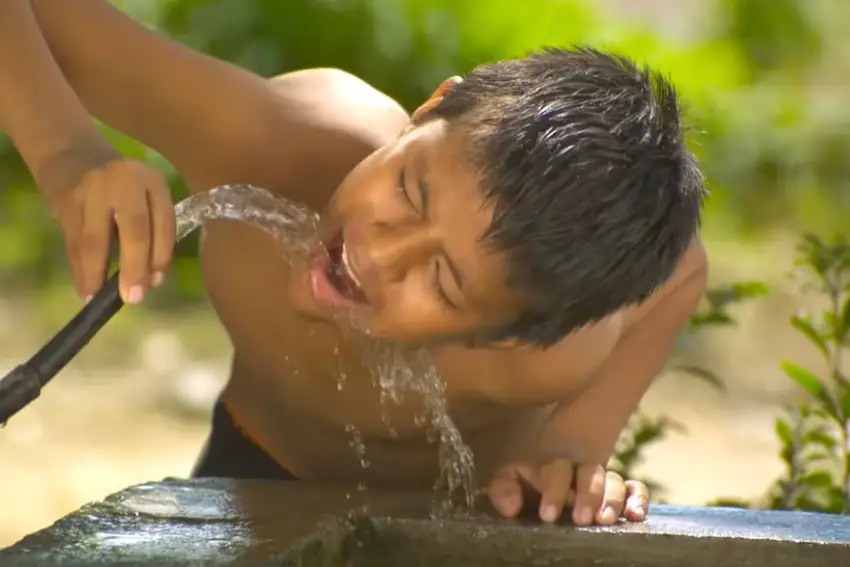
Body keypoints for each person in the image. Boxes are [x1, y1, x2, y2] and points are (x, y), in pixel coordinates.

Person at [0, 0, 708, 526]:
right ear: (434, 106)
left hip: (465, 518)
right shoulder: (283, 147)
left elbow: (682, 269)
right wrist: (68, 153)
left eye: (442, 280)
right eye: (409, 188)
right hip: (255, 469)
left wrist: (574, 443)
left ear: (504, 332)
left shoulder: (545, 352)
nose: (377, 251)